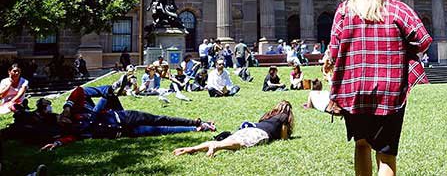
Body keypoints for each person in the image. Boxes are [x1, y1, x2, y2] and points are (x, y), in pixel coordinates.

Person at [328, 0, 432, 176]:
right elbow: (423, 40)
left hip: (354, 90)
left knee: (361, 145)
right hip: (390, 92)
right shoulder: (397, 9)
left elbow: (334, 50)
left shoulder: (344, 10)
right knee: (386, 155)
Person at [40, 85, 215, 150]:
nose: (64, 120)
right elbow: (70, 137)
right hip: (125, 132)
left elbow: (79, 90)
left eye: (62, 118)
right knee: (161, 130)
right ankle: (197, 128)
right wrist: (58, 143)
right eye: (62, 123)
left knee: (160, 119)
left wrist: (67, 107)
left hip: (124, 117)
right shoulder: (74, 130)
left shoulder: (77, 110)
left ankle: (195, 121)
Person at [173, 100, 294, 157]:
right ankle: (216, 147)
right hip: (260, 133)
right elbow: (283, 137)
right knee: (240, 143)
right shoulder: (283, 117)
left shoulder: (270, 116)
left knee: (225, 141)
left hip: (249, 128)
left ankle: (191, 149)